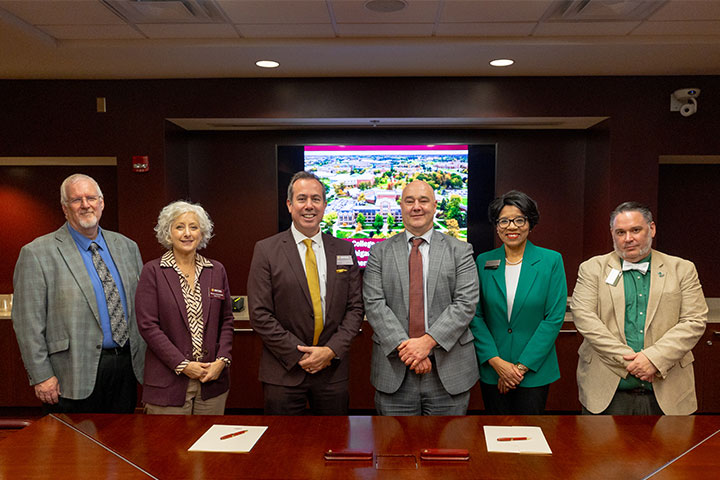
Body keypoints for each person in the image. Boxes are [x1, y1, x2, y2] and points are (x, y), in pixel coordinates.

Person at [12, 173, 145, 413]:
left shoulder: (127, 247)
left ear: (101, 203)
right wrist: (41, 376)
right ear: (65, 208)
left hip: (125, 368)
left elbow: (140, 309)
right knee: (74, 449)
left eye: (91, 198)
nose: (85, 205)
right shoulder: (37, 253)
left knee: (123, 445)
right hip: (70, 374)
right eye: (76, 200)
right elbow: (27, 324)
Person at [571, 201, 707, 415]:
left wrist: (653, 359)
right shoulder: (592, 269)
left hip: (669, 392)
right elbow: (584, 318)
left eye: (636, 230)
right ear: (612, 234)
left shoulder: (682, 269)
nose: (628, 239)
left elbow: (694, 320)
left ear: (651, 229)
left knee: (672, 450)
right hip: (605, 391)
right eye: (620, 232)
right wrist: (631, 361)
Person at [248, 171, 364, 415]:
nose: (309, 206)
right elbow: (259, 313)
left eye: (316, 199)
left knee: (333, 444)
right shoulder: (266, 250)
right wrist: (299, 354)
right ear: (289, 205)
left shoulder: (344, 248)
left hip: (332, 371)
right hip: (283, 371)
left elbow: (355, 308)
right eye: (302, 199)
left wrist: (330, 351)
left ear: (324, 205)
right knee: (284, 448)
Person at [363, 180, 479, 415]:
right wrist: (410, 351)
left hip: (448, 372)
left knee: (448, 449)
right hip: (395, 370)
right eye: (409, 201)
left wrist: (426, 343)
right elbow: (374, 305)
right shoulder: (379, 252)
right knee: (393, 450)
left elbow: (465, 304)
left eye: (423, 201)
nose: (416, 207)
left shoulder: (461, 250)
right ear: (401, 207)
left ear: (435, 206)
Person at [469, 191, 567, 414]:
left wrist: (518, 369)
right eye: (504, 220)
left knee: (530, 437)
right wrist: (498, 364)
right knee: (496, 435)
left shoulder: (551, 261)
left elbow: (553, 319)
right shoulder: (484, 261)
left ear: (530, 223)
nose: (511, 226)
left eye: (519, 220)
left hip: (535, 370)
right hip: (493, 368)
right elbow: (475, 315)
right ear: (496, 225)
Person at [135, 201, 234, 415]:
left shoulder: (216, 270)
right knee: (170, 447)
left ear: (202, 233)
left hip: (212, 381)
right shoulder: (153, 271)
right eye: (179, 227)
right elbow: (148, 326)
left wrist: (222, 361)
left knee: (209, 447)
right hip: (168, 382)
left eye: (194, 227)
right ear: (168, 233)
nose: (187, 233)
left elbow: (226, 320)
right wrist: (183, 364)